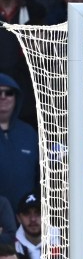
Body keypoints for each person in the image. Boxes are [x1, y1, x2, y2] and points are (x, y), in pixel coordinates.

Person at [0, 74, 39, 211]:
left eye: (9, 93)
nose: (3, 97)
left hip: (27, 220)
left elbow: (40, 176)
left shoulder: (29, 133)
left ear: (16, 98)